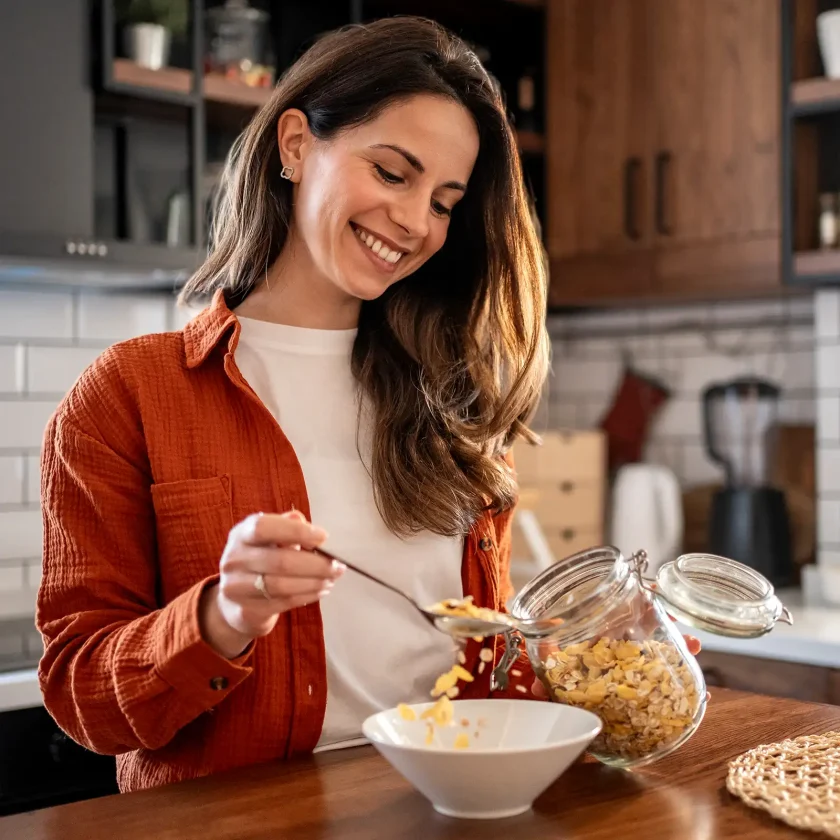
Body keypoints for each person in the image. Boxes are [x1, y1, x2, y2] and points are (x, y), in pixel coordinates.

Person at [37, 15, 702, 793]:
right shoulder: (128, 396)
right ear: (294, 145)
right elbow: (83, 697)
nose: (418, 222)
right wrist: (222, 617)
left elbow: (483, 661)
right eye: (392, 173)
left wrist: (603, 655)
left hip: (457, 810)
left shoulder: (457, 398)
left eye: (446, 201)